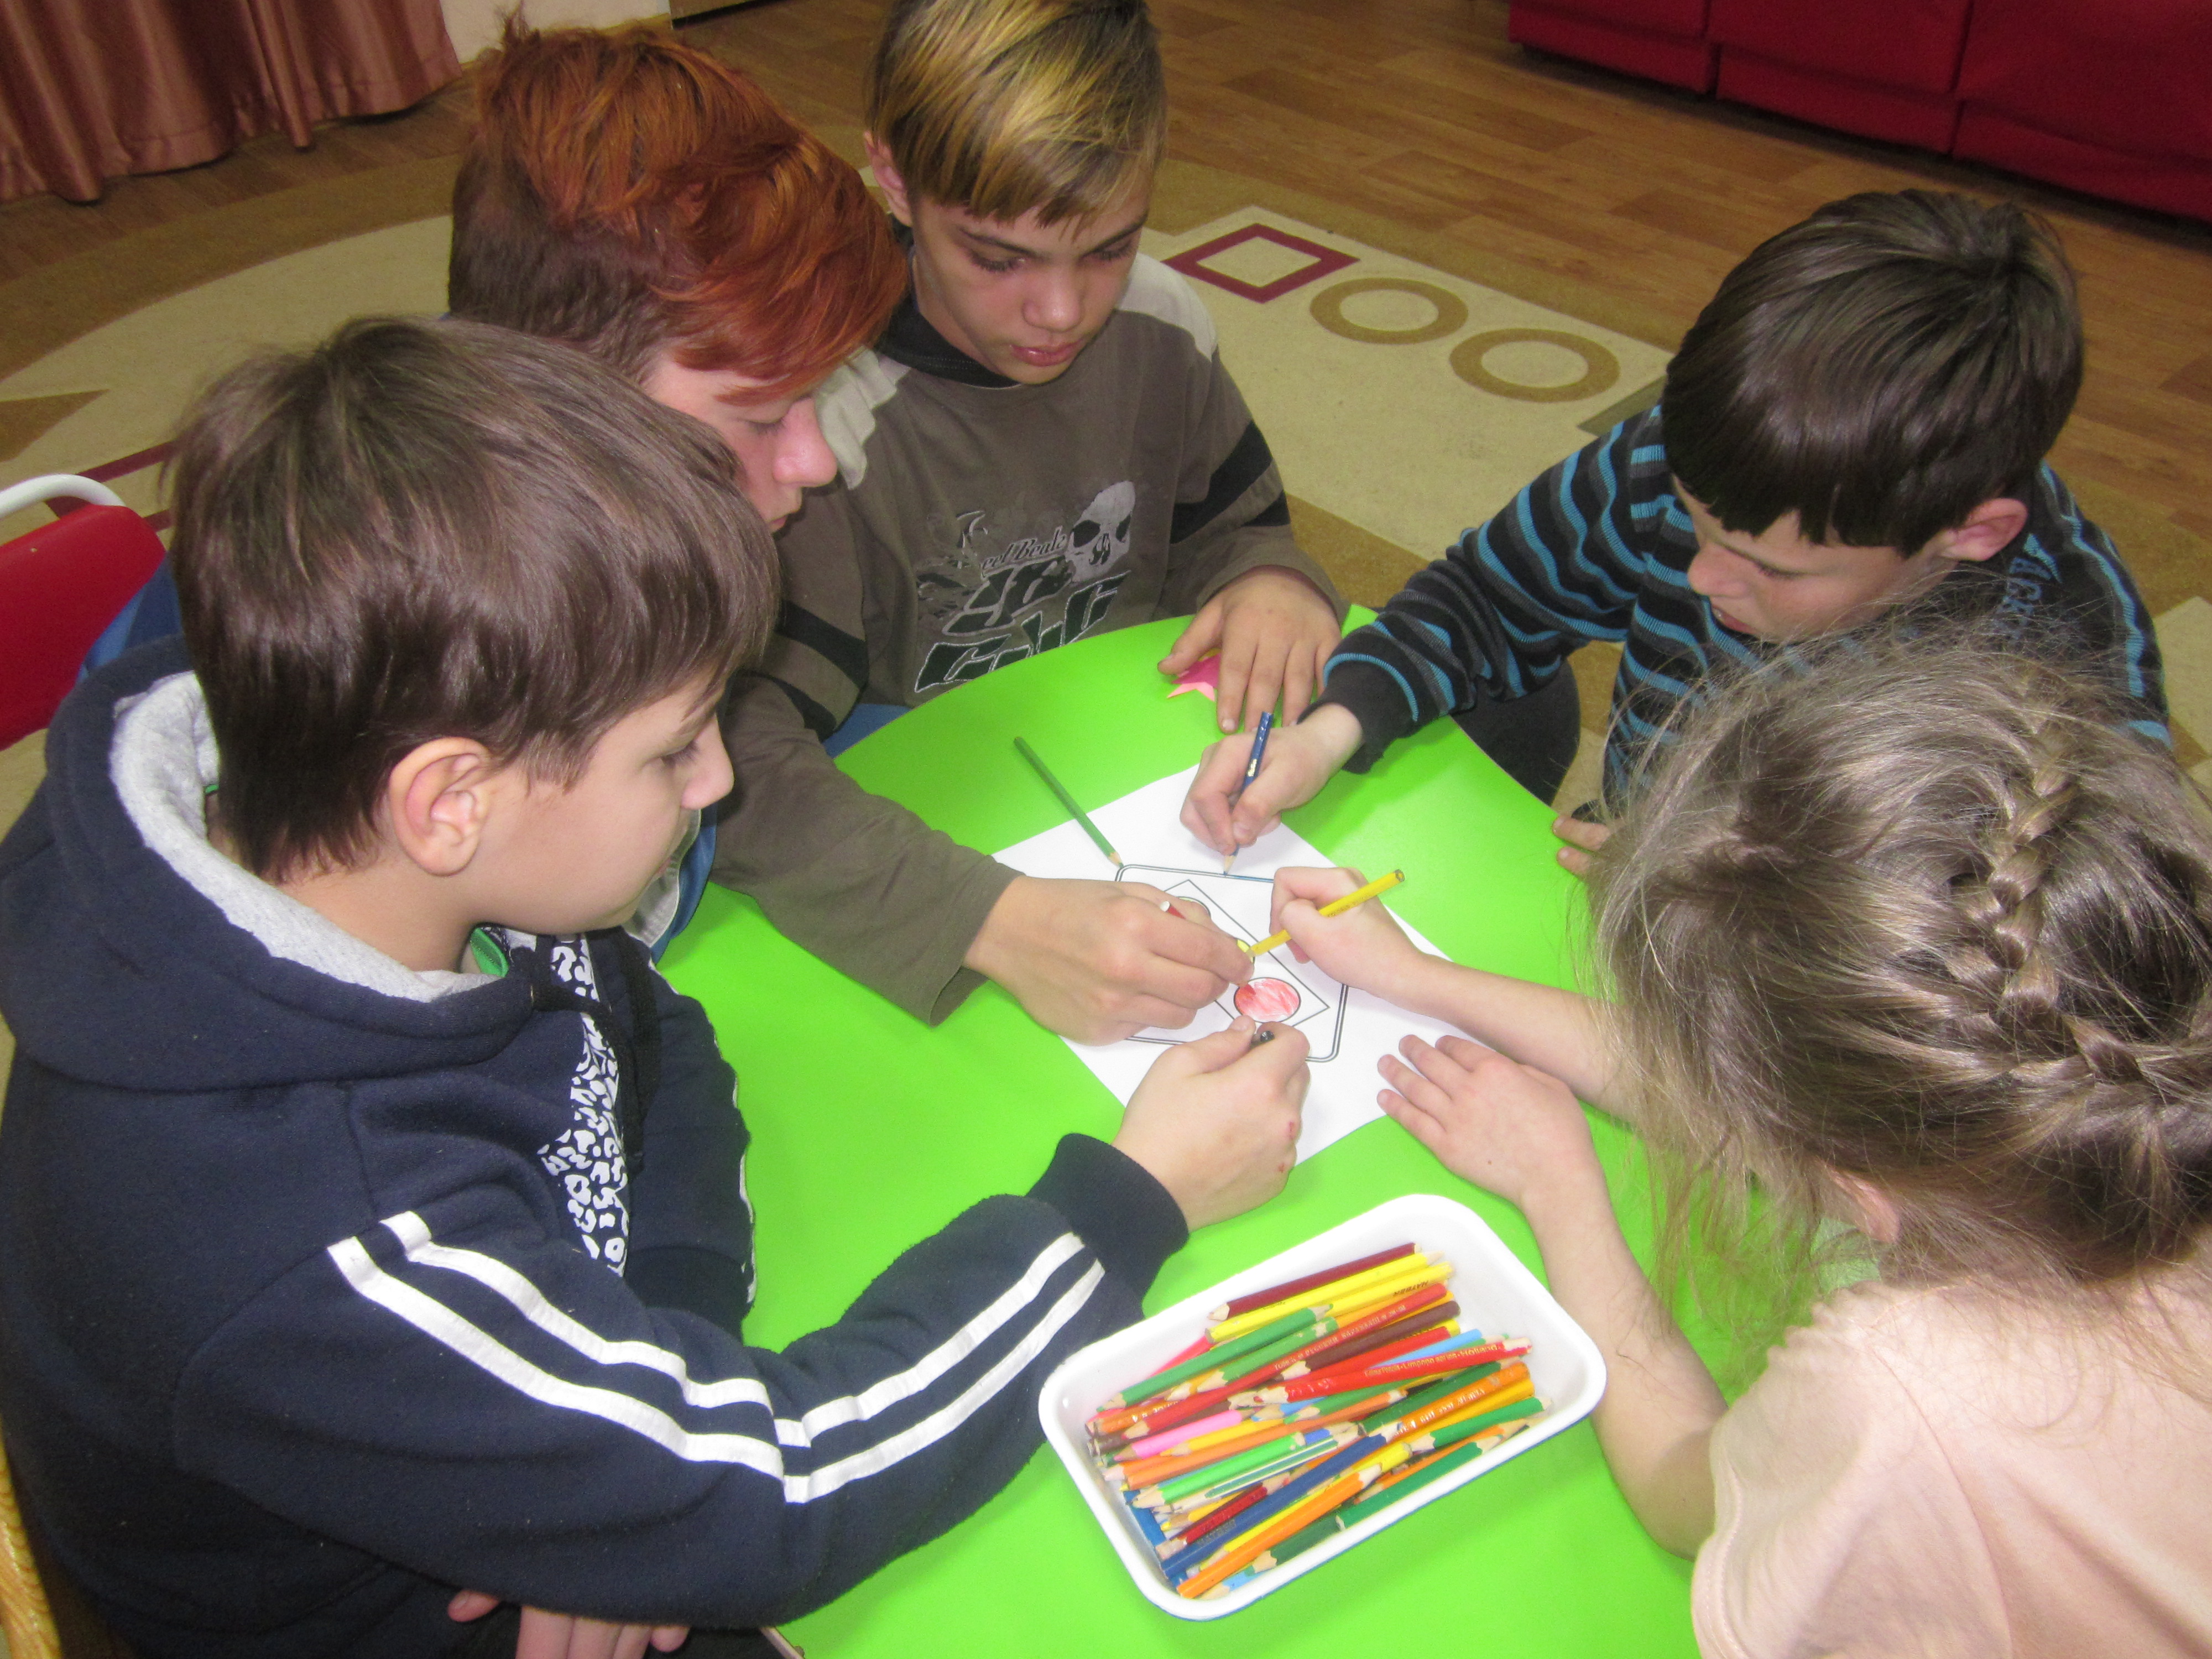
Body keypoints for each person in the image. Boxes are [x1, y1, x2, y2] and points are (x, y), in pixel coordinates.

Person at [0, 318, 1311, 1659]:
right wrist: (1128, 1202)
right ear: (451, 801)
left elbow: (649, 1037)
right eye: (674, 749)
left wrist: (618, 1460)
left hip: (555, 1470)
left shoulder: (382, 843)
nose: (719, 782)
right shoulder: (308, 1236)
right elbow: (790, 1486)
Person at [1274, 634, 2212, 1655]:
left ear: (1852, 1176)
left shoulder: (1906, 1392)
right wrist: (1419, 978)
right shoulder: (2121, 1073)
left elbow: (1684, 1485)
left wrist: (1560, 1188)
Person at [446, 20, 1281, 1045]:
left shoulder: (634, 526)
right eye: (766, 416)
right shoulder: (477, 640)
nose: (818, 460)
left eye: (1109, 247)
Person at [1183, 190, 2169, 875]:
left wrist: (1734, 896)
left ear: (1971, 534)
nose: (1703, 577)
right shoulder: (1686, 466)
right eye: (1698, 525)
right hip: (1631, 869)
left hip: (1822, 1000)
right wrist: (1326, 736)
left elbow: (2060, 979)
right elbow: (1485, 602)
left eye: (1772, 569)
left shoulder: (2063, 678)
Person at [714, 0, 1346, 1035]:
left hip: (1135, 783)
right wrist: (989, 920)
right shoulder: (814, 424)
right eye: (1000, 259)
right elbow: (729, 763)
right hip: (923, 844)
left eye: (1109, 248)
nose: (1063, 311)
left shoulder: (1159, 326)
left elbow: (1234, 530)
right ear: (893, 181)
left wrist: (1269, 576)